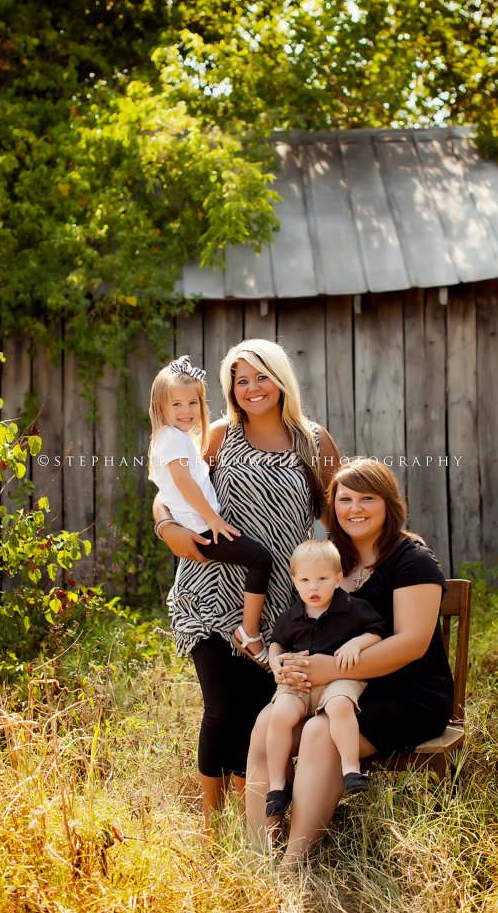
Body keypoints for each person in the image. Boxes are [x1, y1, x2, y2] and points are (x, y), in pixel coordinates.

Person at [152, 339, 340, 830]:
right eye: (241, 380)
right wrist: (165, 527)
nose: (252, 388)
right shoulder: (217, 436)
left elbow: (340, 517)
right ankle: (211, 824)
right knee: (222, 706)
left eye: (261, 376)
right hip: (208, 592)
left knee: (259, 716)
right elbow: (170, 491)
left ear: (281, 380)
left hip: (275, 602)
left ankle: (251, 818)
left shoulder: (313, 443)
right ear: (230, 389)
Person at [246, 457, 454, 861]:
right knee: (267, 722)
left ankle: (293, 862)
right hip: (334, 688)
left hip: (408, 693)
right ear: (332, 507)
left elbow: (412, 643)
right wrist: (287, 665)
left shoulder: (411, 559)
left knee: (318, 733)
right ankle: (259, 853)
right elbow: (297, 627)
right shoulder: (330, 561)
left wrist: (328, 669)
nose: (354, 509)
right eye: (345, 499)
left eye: (367, 498)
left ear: (388, 503)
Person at [149, 354, 273, 666]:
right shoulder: (173, 440)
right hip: (202, 530)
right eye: (176, 404)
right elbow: (182, 482)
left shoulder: (174, 438)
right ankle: (249, 632)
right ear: (160, 406)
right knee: (260, 558)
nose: (186, 411)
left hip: (199, 524)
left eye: (193, 403)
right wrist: (212, 518)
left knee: (253, 558)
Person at [266, 539, 386, 817]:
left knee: (339, 706)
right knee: (280, 715)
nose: (314, 587)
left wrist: (356, 644)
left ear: (338, 578)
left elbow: (377, 631)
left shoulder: (353, 607)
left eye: (322, 578)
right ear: (294, 581)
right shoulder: (290, 616)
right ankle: (276, 787)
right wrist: (275, 662)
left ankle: (350, 770)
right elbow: (277, 643)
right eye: (305, 580)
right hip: (299, 683)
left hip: (339, 676)